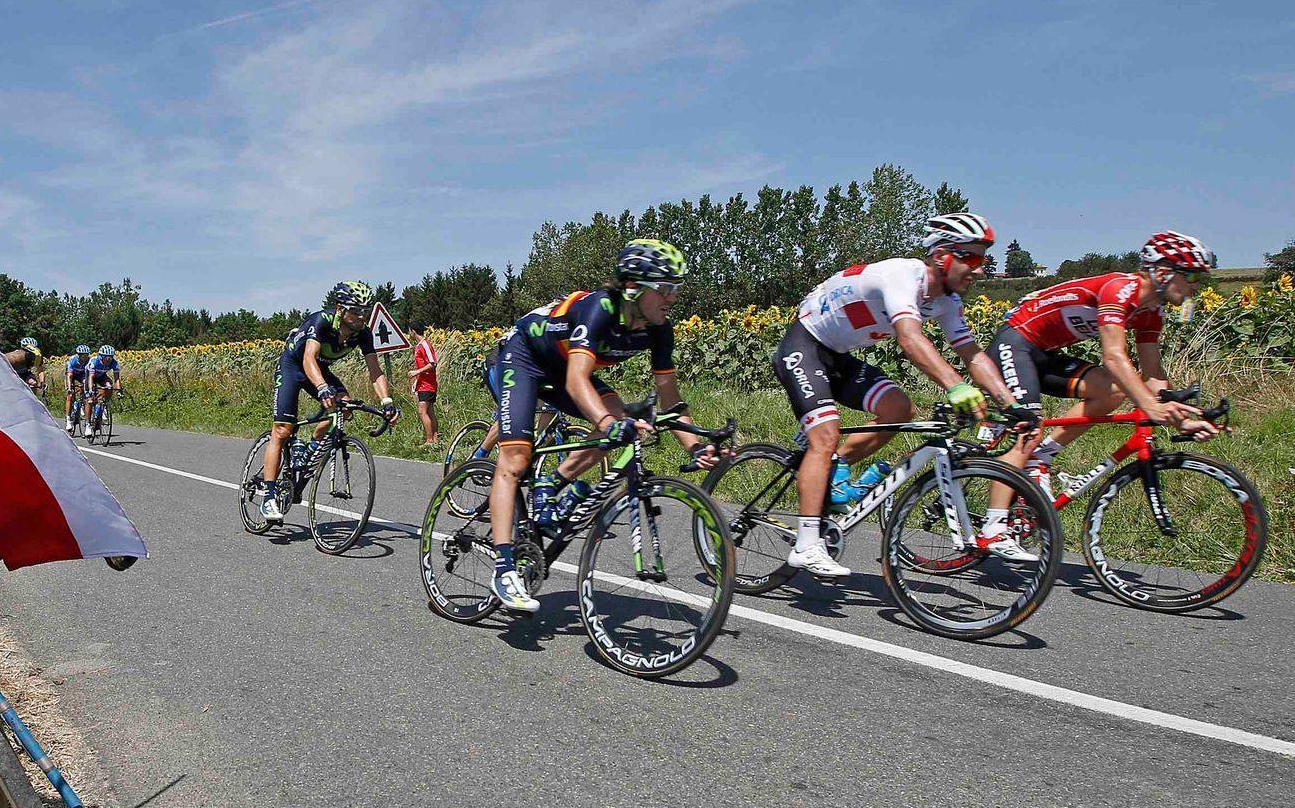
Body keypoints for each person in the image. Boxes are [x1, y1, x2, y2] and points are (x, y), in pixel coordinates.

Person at [770, 212, 1017, 579]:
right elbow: (909, 338)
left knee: (898, 408)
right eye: (972, 258)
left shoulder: (947, 302)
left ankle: (829, 471)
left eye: (983, 260)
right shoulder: (902, 276)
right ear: (941, 256)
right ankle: (806, 546)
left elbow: (974, 354)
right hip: (804, 346)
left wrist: (1011, 406)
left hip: (837, 357)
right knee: (825, 434)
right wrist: (957, 386)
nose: (979, 270)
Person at [482, 239, 713, 613]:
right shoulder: (599, 309)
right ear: (633, 287)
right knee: (515, 459)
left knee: (619, 417)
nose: (672, 298)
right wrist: (608, 423)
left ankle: (552, 483)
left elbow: (670, 397)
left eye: (676, 289)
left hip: (562, 368)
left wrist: (697, 446)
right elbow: (577, 382)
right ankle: (504, 568)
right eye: (665, 288)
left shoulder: (658, 329)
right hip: (523, 358)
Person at [984, 231, 1218, 513]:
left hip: (1044, 355)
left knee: (1113, 391)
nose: (1196, 287)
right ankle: (993, 527)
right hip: (1015, 343)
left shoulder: (1151, 311)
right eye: (1192, 276)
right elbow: (1114, 357)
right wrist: (1148, 404)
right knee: (1028, 433)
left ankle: (1042, 457)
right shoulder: (1119, 289)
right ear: (1163, 272)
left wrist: (1181, 419)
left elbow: (1153, 375)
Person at [255, 281, 397, 522]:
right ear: (340, 308)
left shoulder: (363, 333)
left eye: (366, 311)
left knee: (346, 407)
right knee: (281, 430)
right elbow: (309, 357)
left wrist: (386, 401)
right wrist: (321, 388)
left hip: (318, 369)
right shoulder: (321, 321)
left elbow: (375, 370)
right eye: (356, 310)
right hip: (293, 367)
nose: (362, 316)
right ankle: (268, 497)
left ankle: (310, 448)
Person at [408, 323, 439, 446]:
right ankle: (435, 440)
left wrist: (417, 372)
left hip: (428, 384)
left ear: (413, 331)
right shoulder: (419, 346)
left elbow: (433, 363)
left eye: (409, 331)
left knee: (422, 411)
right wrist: (417, 380)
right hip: (424, 383)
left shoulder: (424, 345)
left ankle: (429, 440)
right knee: (430, 412)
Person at [84, 344, 122, 435]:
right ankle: (88, 424)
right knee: (89, 400)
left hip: (101, 376)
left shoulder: (114, 363)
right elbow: (91, 377)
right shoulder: (94, 361)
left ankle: (104, 404)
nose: (109, 360)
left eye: (110, 357)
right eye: (106, 357)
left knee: (109, 386)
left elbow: (117, 379)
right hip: (90, 377)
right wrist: (90, 389)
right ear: (101, 356)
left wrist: (119, 390)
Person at [63, 344, 91, 432]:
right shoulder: (72, 360)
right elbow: (69, 376)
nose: (85, 357)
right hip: (72, 375)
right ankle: (68, 418)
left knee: (85, 383)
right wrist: (69, 388)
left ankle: (83, 402)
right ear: (78, 355)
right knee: (70, 395)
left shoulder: (89, 361)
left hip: (82, 375)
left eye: (86, 355)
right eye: (82, 355)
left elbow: (89, 375)